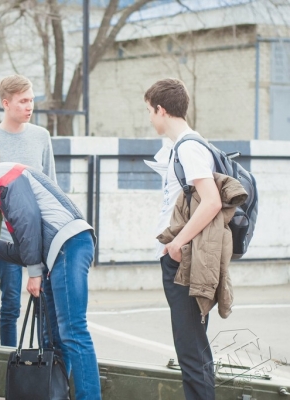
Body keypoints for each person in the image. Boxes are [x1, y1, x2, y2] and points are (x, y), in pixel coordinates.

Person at [0, 140, 101, 400]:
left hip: (69, 245)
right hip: (58, 252)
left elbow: (29, 220)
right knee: (53, 339)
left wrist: (34, 273)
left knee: (73, 330)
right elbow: (25, 248)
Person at [145, 78, 221, 400]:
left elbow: (212, 201)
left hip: (183, 259)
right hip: (182, 257)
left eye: (150, 111)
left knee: (192, 352)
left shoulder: (190, 147)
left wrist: (177, 243)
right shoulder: (181, 145)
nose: (150, 118)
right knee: (192, 348)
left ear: (161, 110)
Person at [0, 74, 56, 347]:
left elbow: (51, 186)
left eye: (31, 100)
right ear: (6, 103)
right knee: (10, 305)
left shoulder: (41, 136)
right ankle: (8, 365)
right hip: (7, 238)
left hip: (41, 238)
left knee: (44, 306)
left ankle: (47, 364)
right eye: (23, 101)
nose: (29, 106)